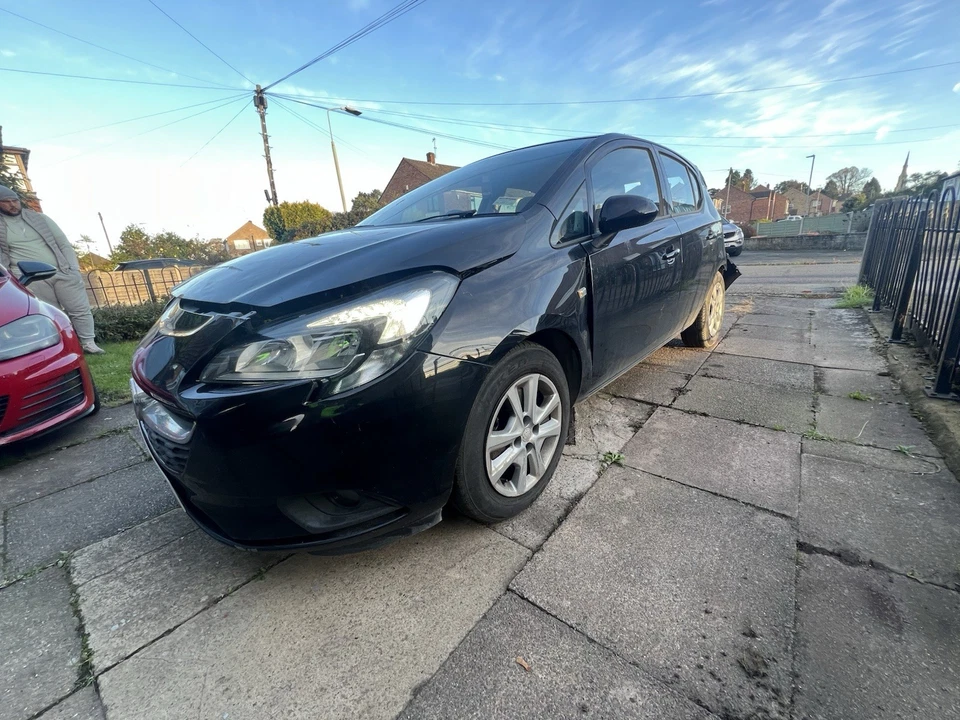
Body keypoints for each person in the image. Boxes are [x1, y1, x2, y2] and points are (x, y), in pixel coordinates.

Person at [0, 185, 104, 353]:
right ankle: (63, 347)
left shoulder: (40, 218)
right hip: (30, 277)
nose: (12, 205)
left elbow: (63, 243)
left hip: (61, 270)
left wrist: (73, 269)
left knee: (80, 309)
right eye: (6, 202)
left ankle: (89, 344)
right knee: (49, 313)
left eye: (15, 201)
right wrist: (15, 279)